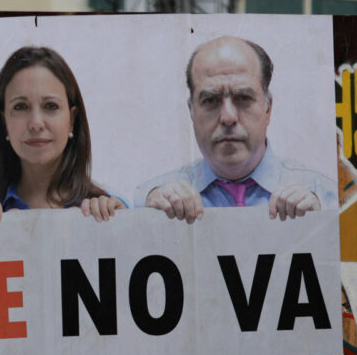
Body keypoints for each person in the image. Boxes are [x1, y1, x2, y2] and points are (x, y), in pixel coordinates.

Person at [136, 35, 335, 223]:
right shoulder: (149, 202)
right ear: (191, 111)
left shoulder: (329, 198)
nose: (228, 117)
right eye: (211, 100)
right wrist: (146, 222)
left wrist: (325, 228)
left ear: (268, 108)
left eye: (243, 98)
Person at [0, 46, 126, 228]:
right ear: (4, 122)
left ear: (71, 120)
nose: (36, 123)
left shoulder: (111, 209)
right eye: (21, 107)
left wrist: (122, 225)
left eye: (50, 106)